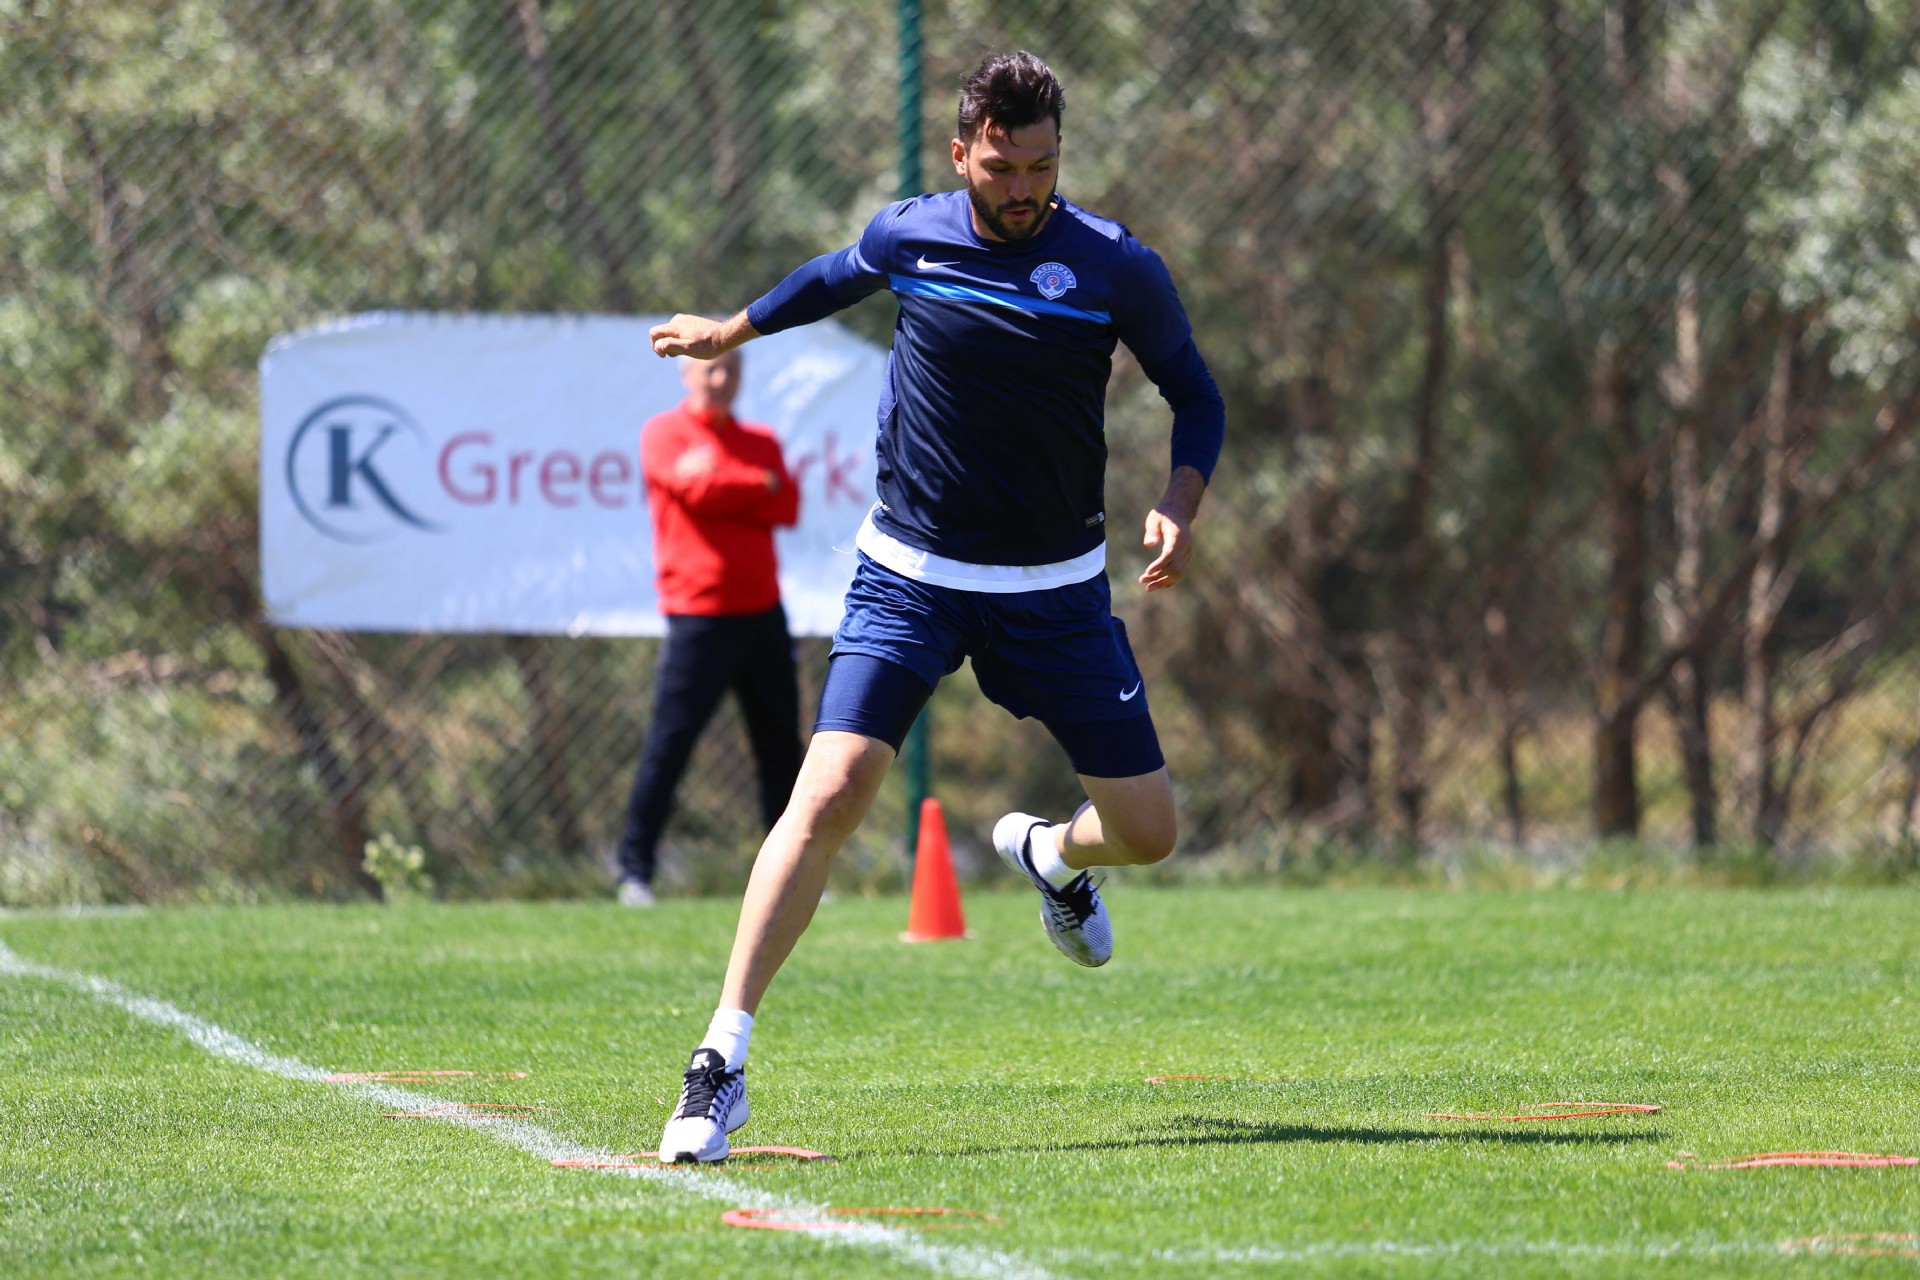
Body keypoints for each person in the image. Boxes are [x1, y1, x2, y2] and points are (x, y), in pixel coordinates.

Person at [646, 50, 1224, 1162]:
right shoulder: (912, 235)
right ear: (962, 155)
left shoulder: (1114, 265)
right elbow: (833, 276)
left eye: (1043, 167)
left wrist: (1179, 502)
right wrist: (731, 329)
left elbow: (1196, 393)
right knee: (830, 790)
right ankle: (720, 1060)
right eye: (1003, 169)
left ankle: (1053, 856)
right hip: (909, 576)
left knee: (1148, 833)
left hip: (1055, 591)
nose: (1025, 190)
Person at [613, 348, 802, 909]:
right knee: (670, 744)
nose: (721, 379)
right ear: (687, 374)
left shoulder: (760, 441)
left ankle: (792, 875)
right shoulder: (663, 434)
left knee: (780, 750)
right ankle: (634, 872)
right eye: (710, 369)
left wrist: (727, 479)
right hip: (698, 616)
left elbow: (787, 504)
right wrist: (758, 485)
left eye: (731, 370)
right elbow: (695, 492)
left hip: (763, 614)